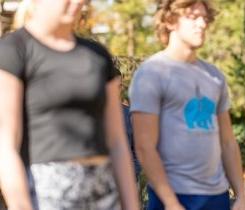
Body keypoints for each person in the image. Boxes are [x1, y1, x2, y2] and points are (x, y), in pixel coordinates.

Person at [0, 0, 140, 209]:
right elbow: (6, 145)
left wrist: (131, 205)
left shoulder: (98, 56)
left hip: (103, 192)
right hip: (45, 193)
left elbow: (118, 143)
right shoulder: (14, 50)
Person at [128, 0, 245, 210]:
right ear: (170, 21)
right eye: (193, 17)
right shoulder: (151, 73)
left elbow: (228, 142)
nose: (201, 24)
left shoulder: (214, 76)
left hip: (216, 196)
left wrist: (241, 195)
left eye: (204, 18)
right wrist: (171, 203)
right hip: (173, 196)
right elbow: (144, 147)